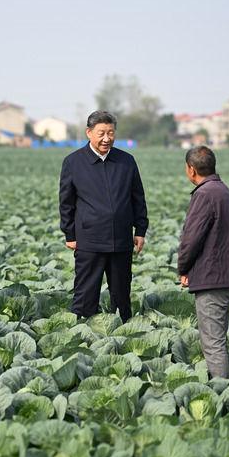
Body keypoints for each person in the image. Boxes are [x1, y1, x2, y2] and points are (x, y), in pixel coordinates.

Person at [59, 110, 148, 322]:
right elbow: (66, 202)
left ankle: (124, 331)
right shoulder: (73, 162)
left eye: (110, 133)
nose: (106, 138)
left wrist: (140, 230)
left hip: (121, 240)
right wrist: (70, 234)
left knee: (121, 295)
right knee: (85, 295)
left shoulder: (126, 161)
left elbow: (138, 197)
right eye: (101, 133)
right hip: (89, 240)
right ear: (89, 132)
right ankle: (82, 333)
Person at [178, 146, 229, 379]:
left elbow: (190, 238)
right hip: (225, 276)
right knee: (218, 339)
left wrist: (183, 268)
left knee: (212, 343)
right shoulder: (223, 190)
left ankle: (221, 394)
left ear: (191, 170)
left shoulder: (204, 194)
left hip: (210, 277)